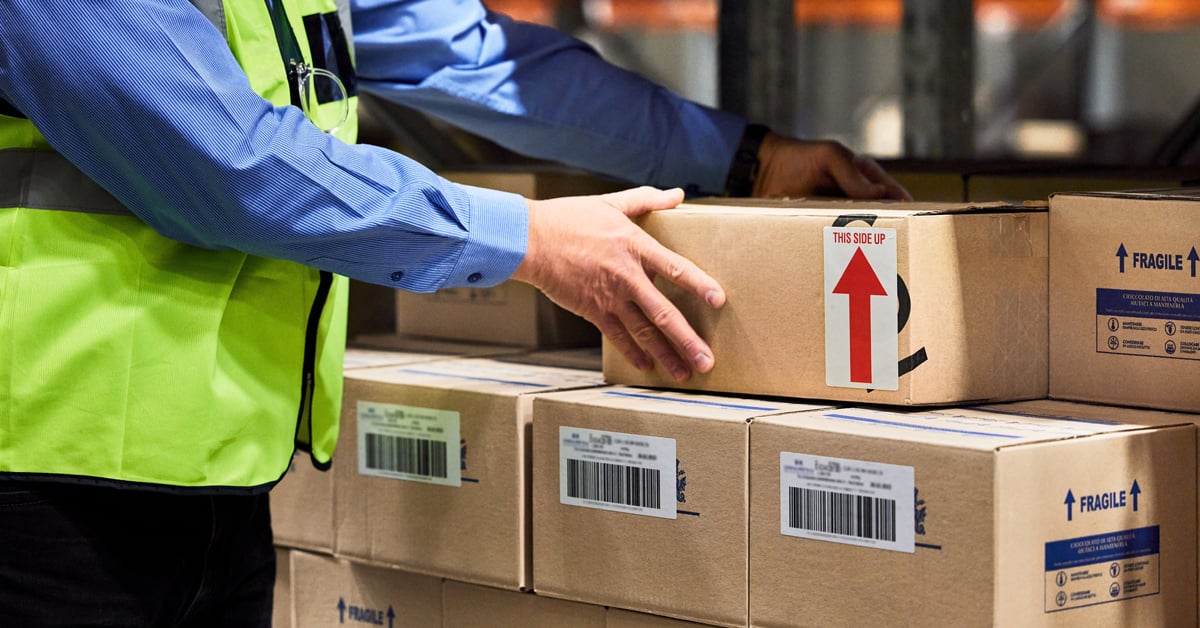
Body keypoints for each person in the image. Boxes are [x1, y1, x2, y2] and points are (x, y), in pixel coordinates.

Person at [0, 1, 910, 626]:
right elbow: (229, 167)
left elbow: (471, 58)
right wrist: (526, 240)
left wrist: (744, 155)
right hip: (41, 487)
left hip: (216, 478)